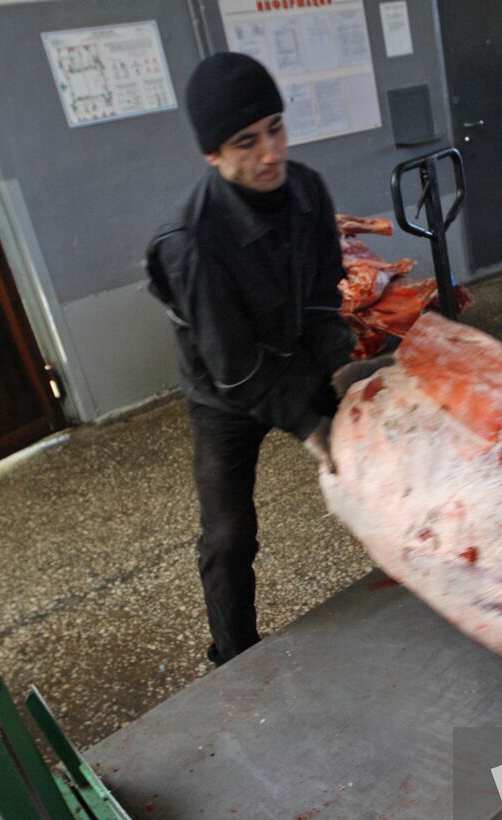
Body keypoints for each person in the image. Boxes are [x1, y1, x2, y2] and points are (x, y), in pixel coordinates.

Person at [146, 52, 389, 666]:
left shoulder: (305, 188)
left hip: (298, 355)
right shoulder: (190, 243)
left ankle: (436, 571)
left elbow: (320, 295)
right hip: (225, 393)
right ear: (213, 155)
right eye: (246, 142)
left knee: (392, 442)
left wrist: (337, 373)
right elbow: (234, 365)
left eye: (276, 129)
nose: (271, 153)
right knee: (229, 537)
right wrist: (312, 427)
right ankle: (232, 657)